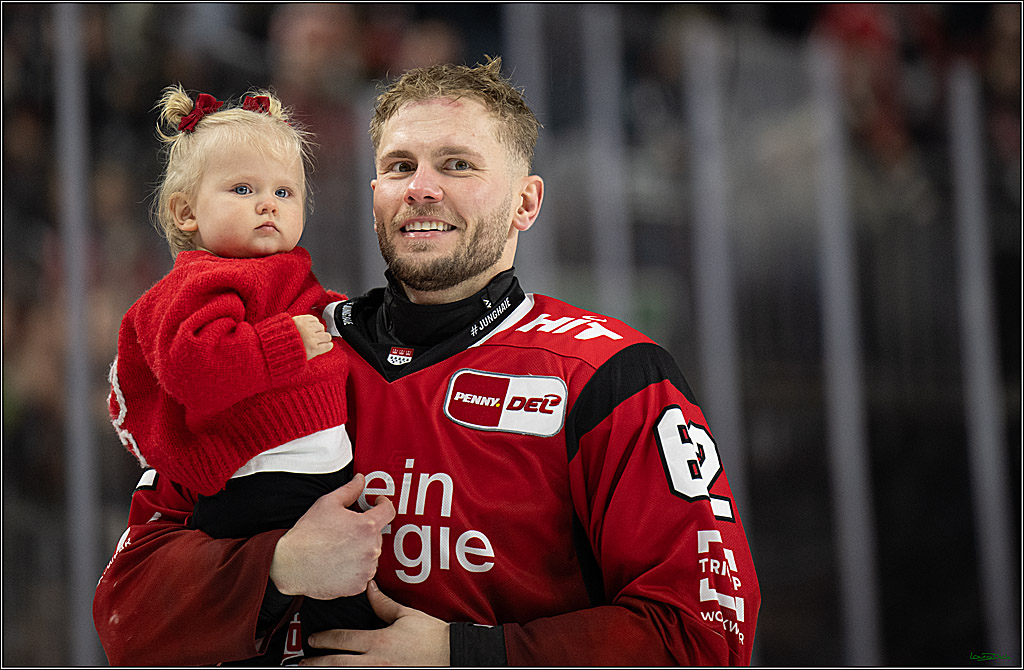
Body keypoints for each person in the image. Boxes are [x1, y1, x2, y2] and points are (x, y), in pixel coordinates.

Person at [94, 57, 760, 666]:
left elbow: (706, 636)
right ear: (375, 191)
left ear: (526, 202)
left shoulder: (611, 376)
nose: (422, 188)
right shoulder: (275, 348)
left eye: (458, 165)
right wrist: (279, 568)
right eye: (400, 166)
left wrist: (464, 655)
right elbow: (127, 616)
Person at [105, 84, 393, 659]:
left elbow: (318, 310)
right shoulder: (197, 282)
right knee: (307, 613)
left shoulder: (285, 270)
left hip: (318, 479)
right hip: (260, 483)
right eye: (243, 189)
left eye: (285, 192)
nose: (269, 204)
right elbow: (194, 366)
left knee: (351, 618)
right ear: (185, 211)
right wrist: (285, 344)